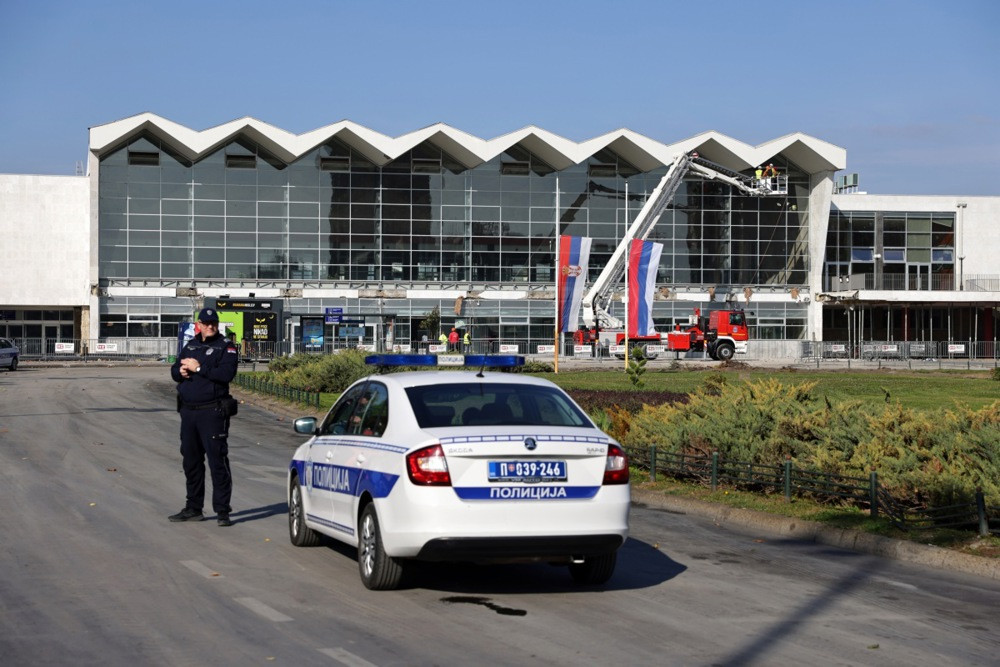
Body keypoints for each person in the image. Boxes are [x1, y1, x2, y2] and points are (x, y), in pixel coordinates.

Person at [168, 307, 239, 527]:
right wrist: (179, 372)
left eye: (214, 323)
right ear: (198, 324)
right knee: (191, 462)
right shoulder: (191, 344)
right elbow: (174, 370)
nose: (210, 326)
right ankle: (193, 508)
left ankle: (222, 511)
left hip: (212, 411)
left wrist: (199, 368)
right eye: (206, 323)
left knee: (217, 462)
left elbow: (226, 374)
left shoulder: (225, 347)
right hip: (189, 412)